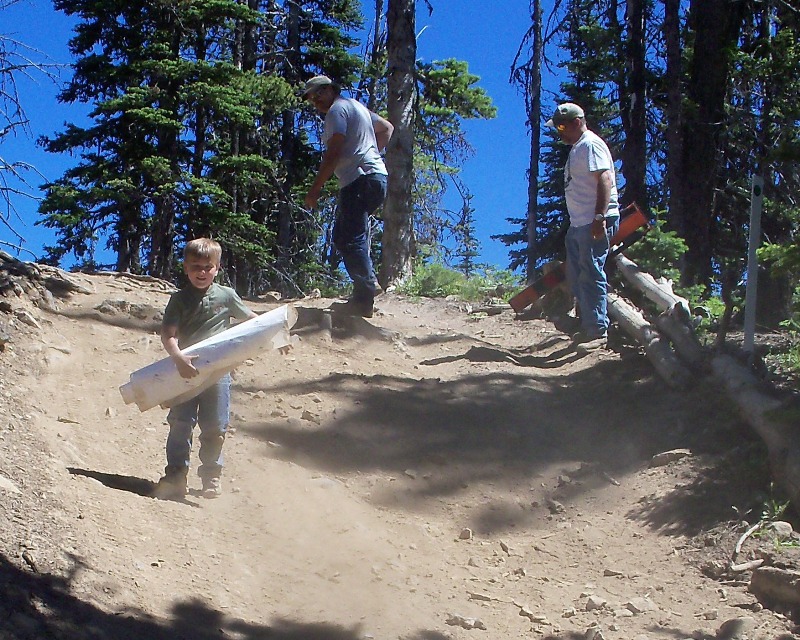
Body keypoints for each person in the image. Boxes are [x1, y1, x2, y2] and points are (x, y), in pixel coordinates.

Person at [153, 238, 257, 500]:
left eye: (207, 267)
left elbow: (253, 322)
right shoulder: (179, 300)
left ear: (217, 268)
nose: (201, 272)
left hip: (218, 374)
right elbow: (168, 335)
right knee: (181, 423)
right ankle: (176, 475)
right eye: (195, 266)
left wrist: (278, 337)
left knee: (215, 426)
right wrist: (177, 358)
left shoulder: (226, 296)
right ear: (185, 268)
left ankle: (211, 476)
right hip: (184, 372)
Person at [302, 75, 394, 318]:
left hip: (360, 178)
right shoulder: (357, 107)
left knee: (351, 238)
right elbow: (386, 128)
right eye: (311, 97)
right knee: (345, 236)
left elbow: (334, 152)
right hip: (376, 177)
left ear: (331, 90)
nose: (315, 101)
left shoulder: (337, 110)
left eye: (318, 94)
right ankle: (362, 298)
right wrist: (372, 152)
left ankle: (367, 291)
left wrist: (315, 190)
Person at [547, 102, 620, 351]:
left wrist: (599, 217)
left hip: (593, 220)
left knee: (591, 272)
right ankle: (587, 323)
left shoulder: (590, 144)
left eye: (562, 126)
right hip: (580, 222)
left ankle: (598, 330)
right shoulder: (578, 147)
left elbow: (605, 179)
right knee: (577, 275)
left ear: (577, 122)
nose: (559, 132)